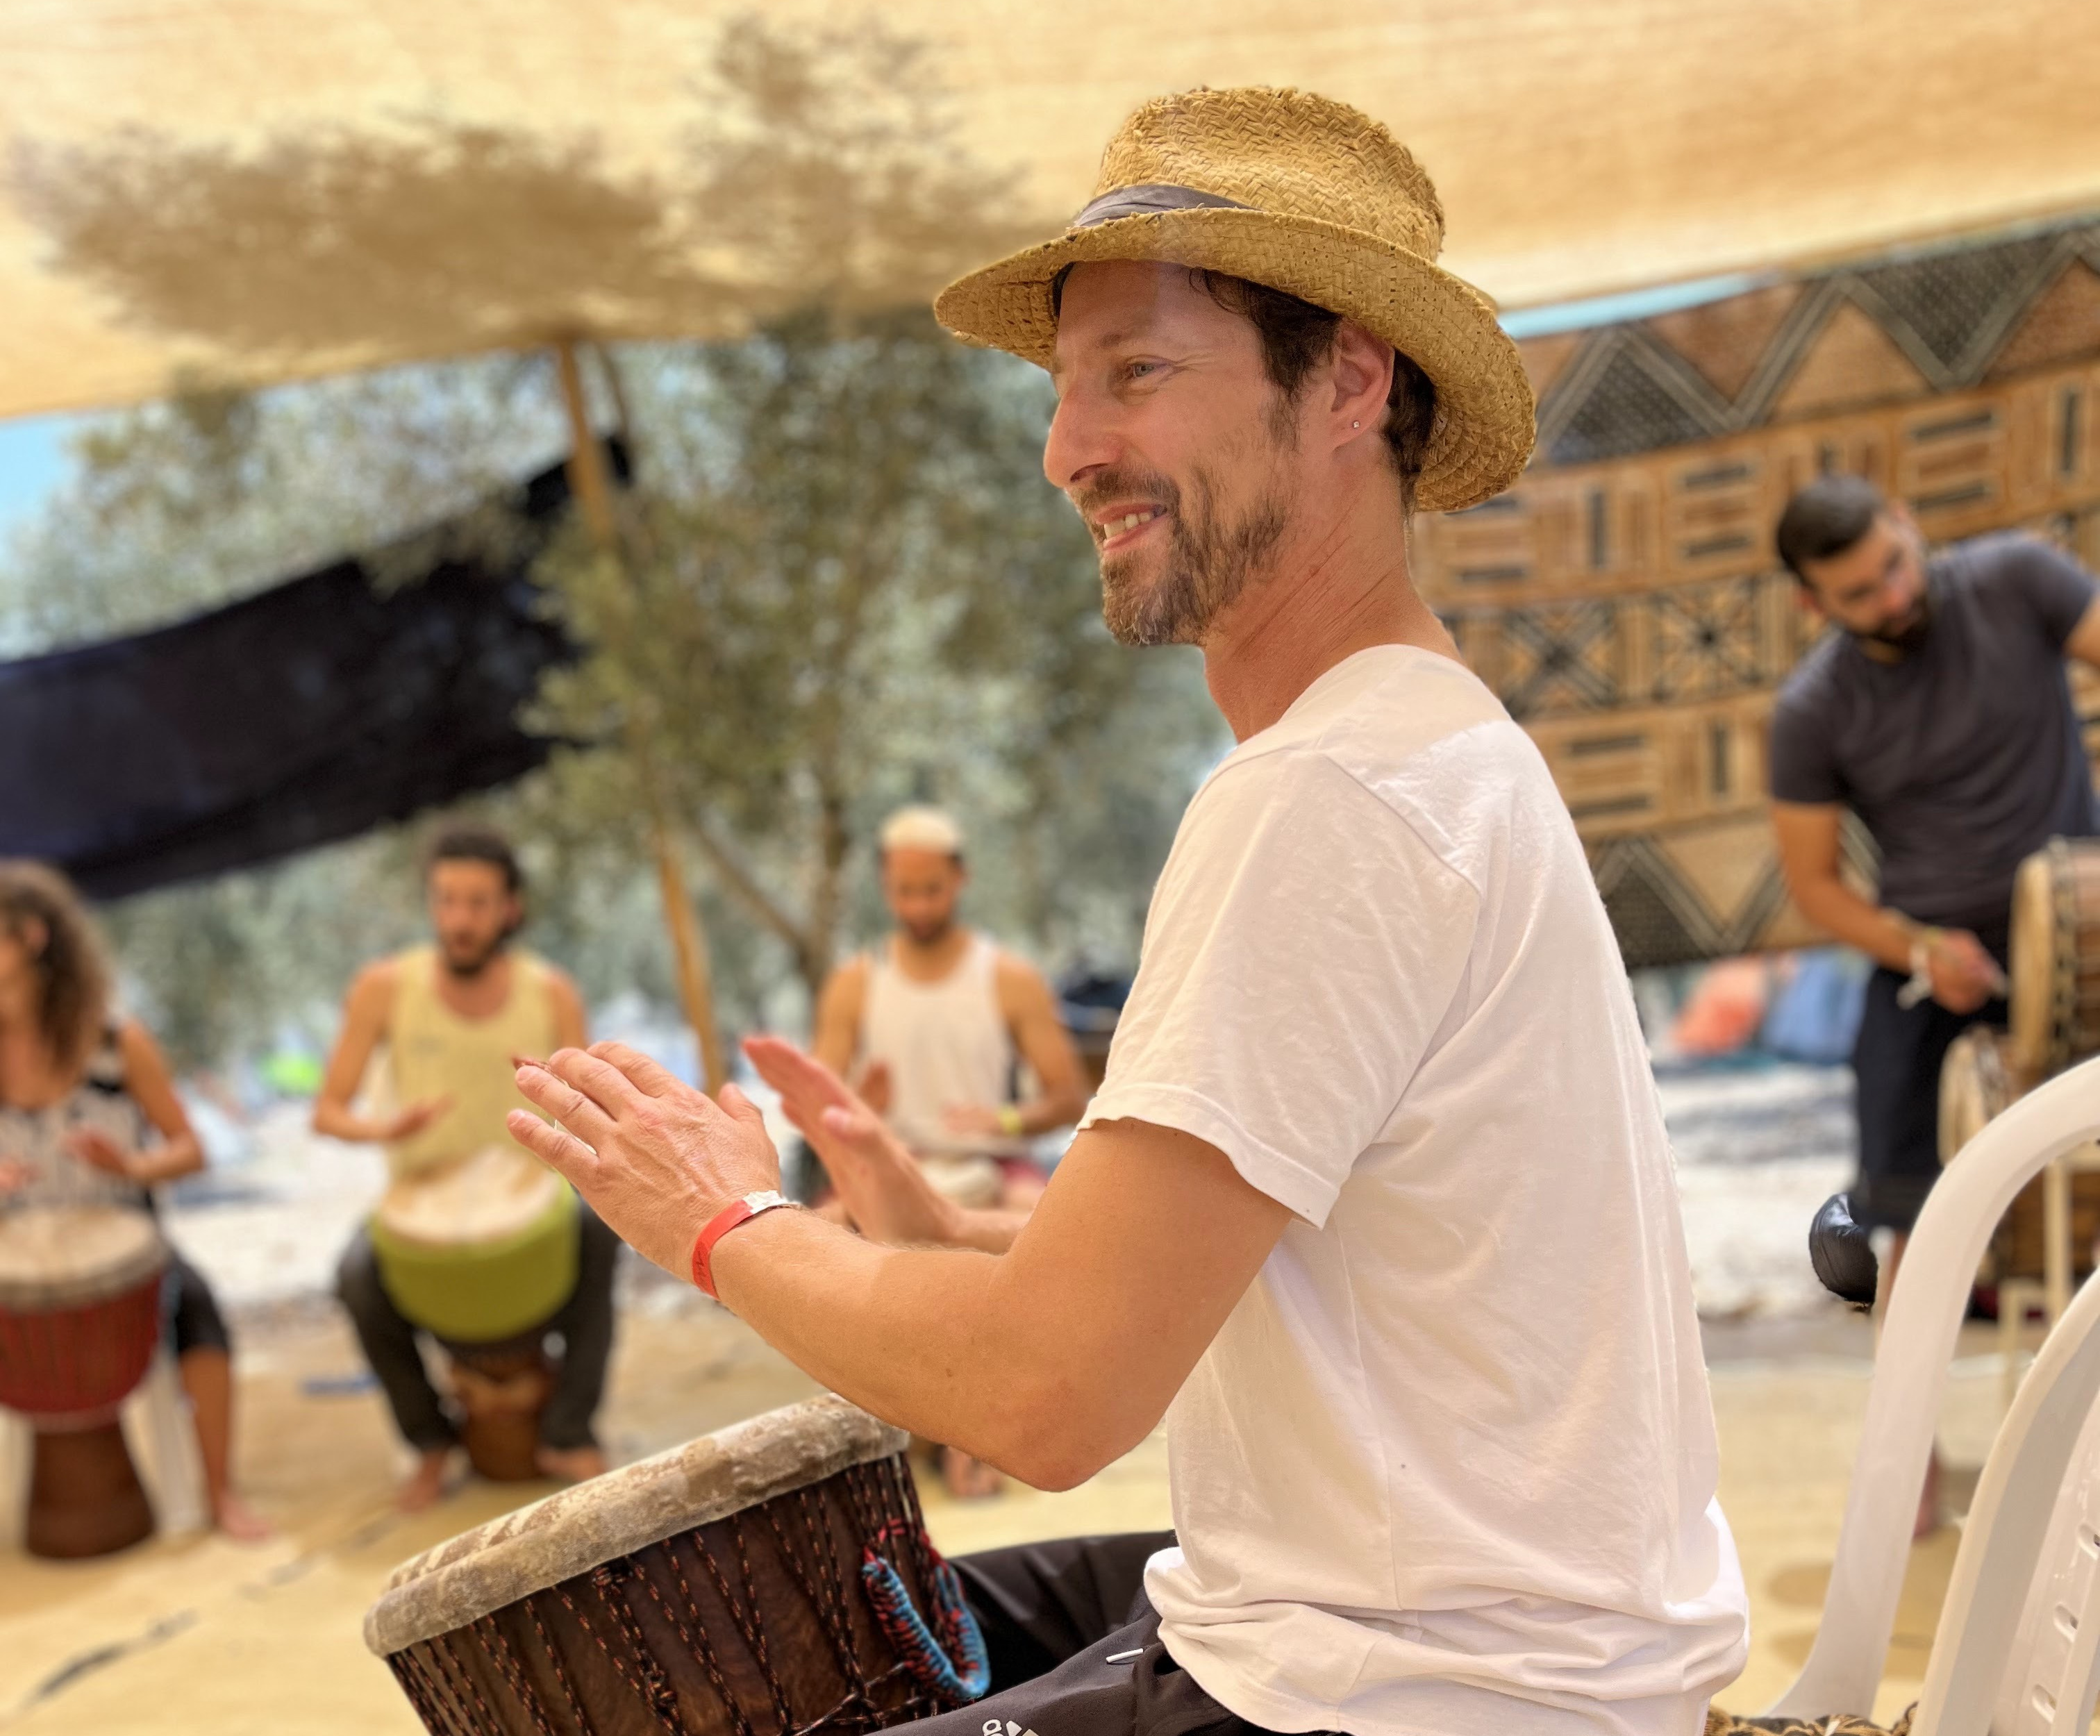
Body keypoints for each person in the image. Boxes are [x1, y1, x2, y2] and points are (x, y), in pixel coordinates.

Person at [512, 87, 1747, 1736]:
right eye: (1063, 387)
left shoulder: (1332, 797)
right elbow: (1300, 1255)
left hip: (1419, 1696)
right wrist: (957, 1242)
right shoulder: (1422, 746)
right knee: (861, 1615)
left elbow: (1045, 1396)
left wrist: (723, 1225)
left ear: (1353, 382)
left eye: (1139, 373)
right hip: (1458, 1640)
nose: (1067, 449)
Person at [1768, 474, 2100, 1528]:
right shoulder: (1811, 711)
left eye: (1895, 566)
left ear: (1908, 524)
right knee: (1902, 1207)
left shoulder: (2020, 580)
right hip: (1933, 961)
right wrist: (1920, 947)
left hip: (2082, 920)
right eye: (1860, 593)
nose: (1893, 595)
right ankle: (1906, 1468)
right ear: (1813, 605)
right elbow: (1818, 888)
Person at [314, 821, 617, 1509]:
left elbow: (592, 1103)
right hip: (423, 1198)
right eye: (446, 900)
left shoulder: (552, 992)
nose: (459, 918)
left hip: (526, 1191)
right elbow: (327, 1110)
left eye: (477, 902)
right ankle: (429, 1441)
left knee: (600, 1237)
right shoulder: (385, 987)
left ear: (510, 908)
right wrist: (383, 1127)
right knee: (357, 1278)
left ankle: (569, 1428)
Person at [0, 861, 268, 1540]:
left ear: (31, 937)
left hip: (126, 1245)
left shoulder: (119, 1043)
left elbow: (191, 1148)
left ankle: (219, 1492)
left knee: (201, 1313)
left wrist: (131, 1164)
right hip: (14, 1257)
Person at [810, 805, 1087, 1212]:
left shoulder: (1012, 979)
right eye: (904, 892)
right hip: (887, 1163)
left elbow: (1069, 1099)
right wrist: (858, 1107)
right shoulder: (852, 984)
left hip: (995, 1163)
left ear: (961, 879)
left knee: (1043, 1231)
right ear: (885, 885)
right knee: (818, 1235)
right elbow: (815, 1106)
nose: (918, 908)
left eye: (932, 890)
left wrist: (1005, 1120)